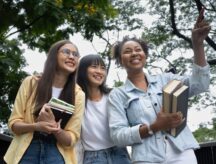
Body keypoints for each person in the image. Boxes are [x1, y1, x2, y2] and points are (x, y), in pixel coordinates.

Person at [107, 8, 211, 164]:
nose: (134, 53)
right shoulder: (117, 95)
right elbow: (117, 135)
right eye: (127, 51)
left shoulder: (167, 79)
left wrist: (198, 44)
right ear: (120, 61)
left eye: (138, 50)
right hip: (146, 158)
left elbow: (200, 84)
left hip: (182, 152)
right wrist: (153, 127)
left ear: (145, 56)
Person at [4, 40, 85, 164]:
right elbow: (13, 124)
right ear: (53, 55)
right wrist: (36, 126)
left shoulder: (78, 94)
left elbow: (71, 139)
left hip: (56, 153)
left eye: (75, 54)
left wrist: (56, 129)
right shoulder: (31, 82)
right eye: (66, 52)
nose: (71, 57)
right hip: (27, 150)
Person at [76, 54, 131, 164]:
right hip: (93, 157)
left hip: (120, 153)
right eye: (94, 67)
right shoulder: (76, 99)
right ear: (82, 70)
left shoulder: (113, 95)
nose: (99, 71)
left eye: (102, 68)